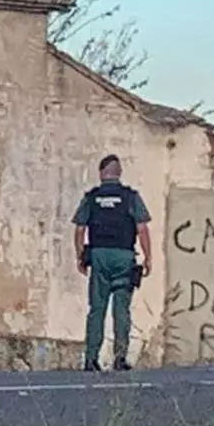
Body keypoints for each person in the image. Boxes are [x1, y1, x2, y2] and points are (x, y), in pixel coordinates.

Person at [72, 154, 153, 372]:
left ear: (101, 173)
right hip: (124, 256)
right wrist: (148, 257)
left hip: (99, 256)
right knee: (121, 309)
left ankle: (91, 358)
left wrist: (80, 256)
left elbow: (79, 229)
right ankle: (120, 357)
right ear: (119, 173)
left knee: (97, 309)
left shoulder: (91, 198)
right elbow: (142, 228)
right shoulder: (130, 197)